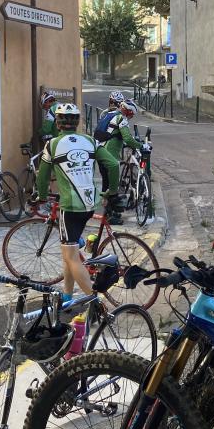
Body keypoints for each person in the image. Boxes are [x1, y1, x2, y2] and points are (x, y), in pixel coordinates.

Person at [31, 103, 118, 303]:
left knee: (71, 257)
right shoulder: (90, 141)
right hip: (89, 205)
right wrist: (112, 190)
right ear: (77, 122)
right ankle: (67, 295)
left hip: (69, 207)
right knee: (69, 252)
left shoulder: (52, 144)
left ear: (58, 123)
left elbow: (42, 177)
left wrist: (42, 196)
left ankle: (96, 304)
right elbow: (113, 164)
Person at [96, 99, 140, 225]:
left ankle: (109, 211)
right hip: (109, 154)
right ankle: (109, 216)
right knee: (111, 185)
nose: (131, 117)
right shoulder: (122, 119)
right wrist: (140, 146)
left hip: (100, 150)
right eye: (131, 114)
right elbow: (127, 138)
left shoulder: (110, 114)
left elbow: (111, 133)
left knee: (107, 183)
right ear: (127, 111)